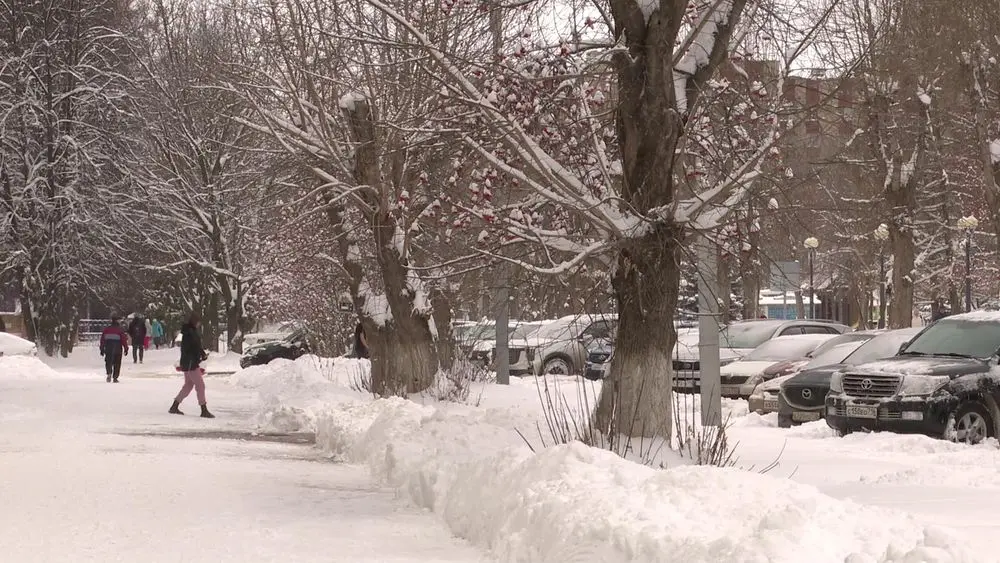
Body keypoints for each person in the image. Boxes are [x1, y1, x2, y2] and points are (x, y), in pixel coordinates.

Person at [169, 313, 214, 418]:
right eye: (198, 322)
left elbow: (195, 347)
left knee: (188, 385)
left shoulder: (189, 332)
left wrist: (201, 354)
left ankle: (174, 406)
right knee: (200, 385)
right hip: (191, 363)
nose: (199, 324)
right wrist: (200, 355)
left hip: (188, 362)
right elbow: (194, 347)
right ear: (195, 322)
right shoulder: (190, 333)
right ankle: (203, 409)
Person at [99, 316, 129, 383]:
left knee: (108, 361)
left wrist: (102, 348)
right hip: (118, 349)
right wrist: (126, 349)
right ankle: (115, 377)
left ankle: (109, 373)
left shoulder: (107, 329)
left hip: (108, 348)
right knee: (117, 363)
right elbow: (123, 340)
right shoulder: (120, 330)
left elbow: (102, 340)